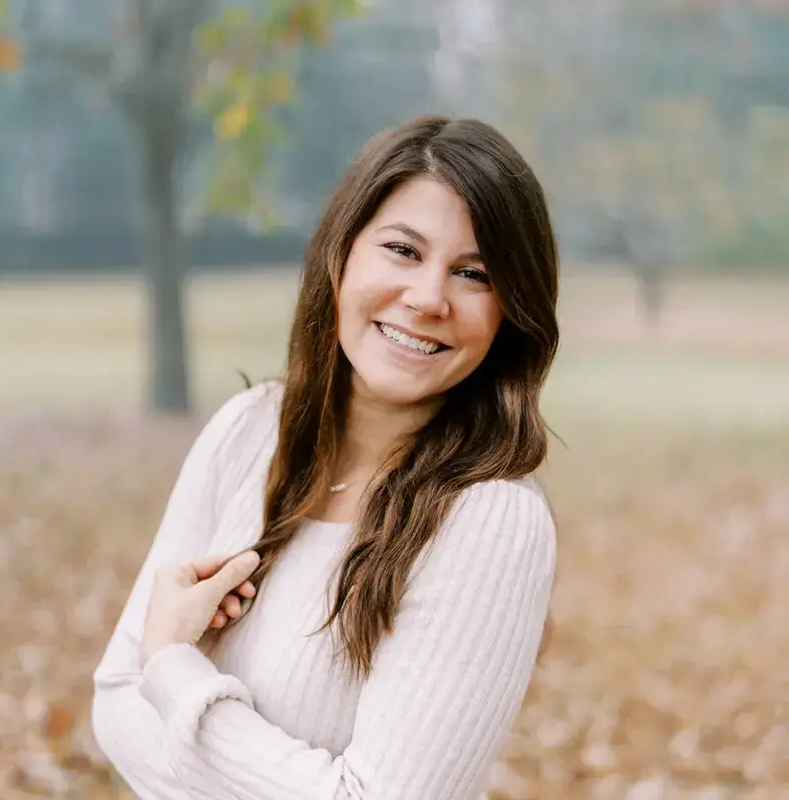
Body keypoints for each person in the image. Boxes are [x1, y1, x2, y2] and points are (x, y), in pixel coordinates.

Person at [91, 115, 560, 800]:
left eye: (474, 274)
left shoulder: (491, 521)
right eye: (403, 250)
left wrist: (171, 669)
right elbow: (111, 703)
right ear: (342, 252)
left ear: (509, 313)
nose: (428, 298)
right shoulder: (248, 432)